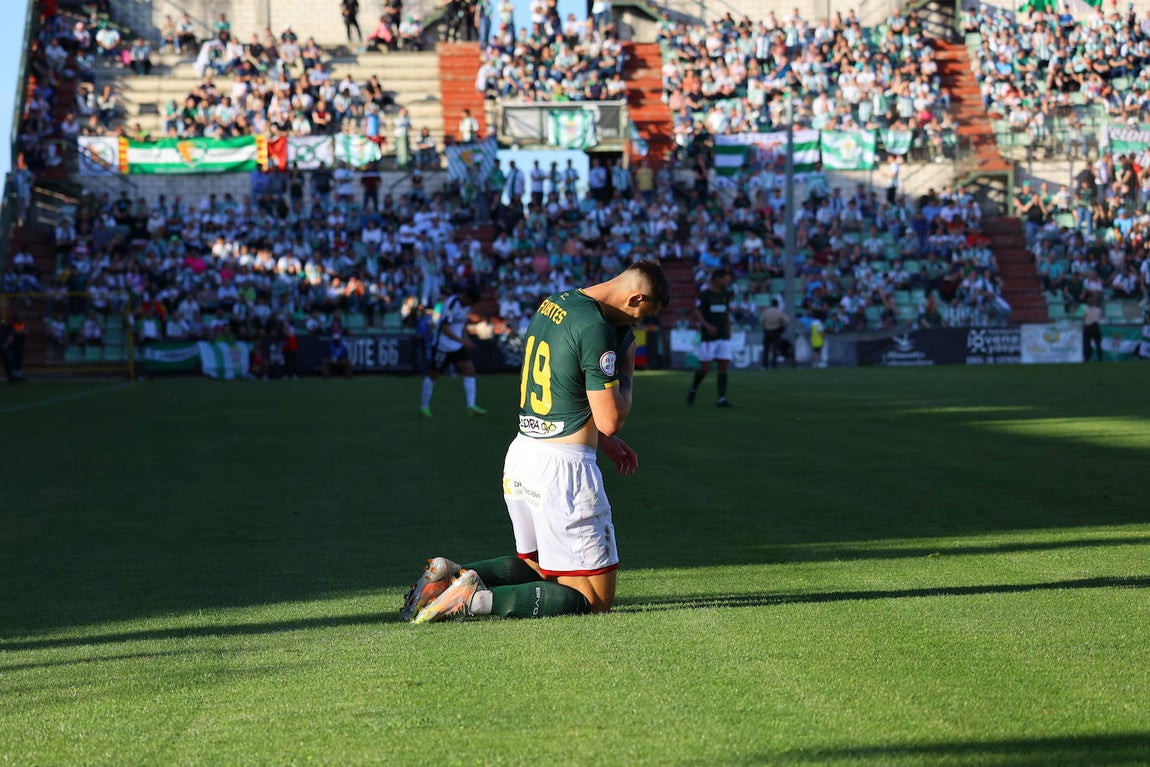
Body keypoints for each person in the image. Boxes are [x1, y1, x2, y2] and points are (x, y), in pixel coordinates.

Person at [402, 260, 670, 623]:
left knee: (541, 566)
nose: (635, 325)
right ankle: (477, 600)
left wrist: (602, 442)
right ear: (635, 297)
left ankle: (449, 574)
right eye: (641, 316)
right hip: (563, 472)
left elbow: (566, 387)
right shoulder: (597, 328)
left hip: (524, 453)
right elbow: (612, 418)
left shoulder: (554, 303)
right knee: (594, 599)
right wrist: (627, 366)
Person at [419, 285, 487, 417]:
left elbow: (460, 326)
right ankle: (424, 406)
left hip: (457, 345)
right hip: (442, 346)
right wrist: (463, 341)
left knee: (470, 370)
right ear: (466, 296)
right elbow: (444, 328)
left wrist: (465, 338)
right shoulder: (452, 304)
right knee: (434, 374)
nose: (471, 305)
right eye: (471, 302)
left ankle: (471, 406)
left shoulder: (466, 306)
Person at [687, 268, 735, 407]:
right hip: (709, 337)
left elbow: (726, 312)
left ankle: (721, 399)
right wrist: (706, 325)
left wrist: (729, 327)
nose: (728, 280)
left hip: (723, 335)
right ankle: (693, 388)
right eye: (725, 278)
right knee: (706, 368)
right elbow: (696, 311)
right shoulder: (705, 295)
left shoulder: (726, 294)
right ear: (716, 279)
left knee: (723, 366)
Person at [760, 298, 788, 369]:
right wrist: (782, 329)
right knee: (775, 349)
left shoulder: (766, 312)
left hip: (767, 331)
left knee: (766, 349)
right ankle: (774, 365)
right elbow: (786, 321)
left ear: (771, 304)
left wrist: (765, 326)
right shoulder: (779, 312)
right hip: (776, 332)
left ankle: (765, 365)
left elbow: (761, 321)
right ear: (777, 305)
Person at [1082, 295, 1103, 362]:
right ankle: (1100, 357)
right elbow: (1099, 317)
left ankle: (1087, 358)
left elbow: (1084, 319)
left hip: (1088, 327)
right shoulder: (1098, 310)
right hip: (1095, 326)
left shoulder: (1085, 310)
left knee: (1087, 344)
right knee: (1098, 343)